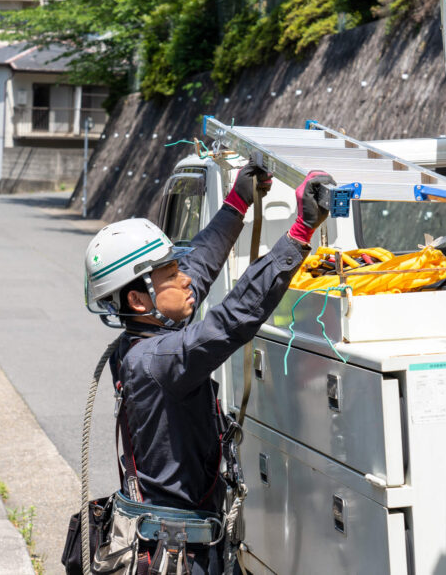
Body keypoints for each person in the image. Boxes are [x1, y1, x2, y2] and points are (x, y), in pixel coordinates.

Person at [83, 164, 335, 574]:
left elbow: (197, 268)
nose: (185, 280)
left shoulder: (142, 341)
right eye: (170, 273)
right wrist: (300, 232)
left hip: (173, 543)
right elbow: (233, 319)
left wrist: (236, 204)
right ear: (138, 300)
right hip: (178, 556)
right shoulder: (159, 360)